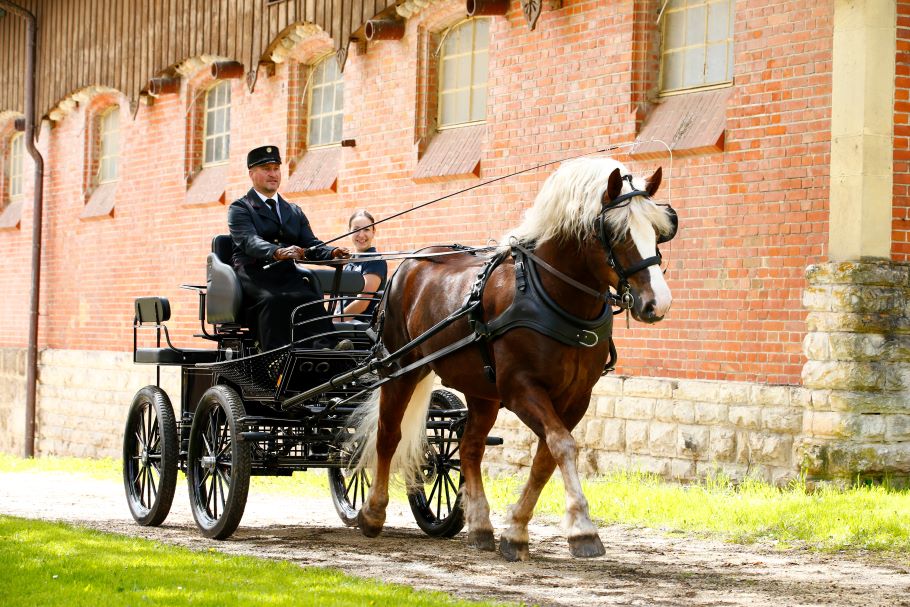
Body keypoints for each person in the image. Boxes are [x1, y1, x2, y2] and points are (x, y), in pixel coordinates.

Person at [227, 145, 352, 351]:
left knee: (308, 298)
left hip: (286, 275)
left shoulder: (292, 210)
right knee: (274, 300)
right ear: (251, 174)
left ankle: (326, 350)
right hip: (255, 275)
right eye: (266, 168)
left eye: (276, 168)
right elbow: (249, 241)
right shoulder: (240, 208)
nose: (273, 174)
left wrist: (331, 252)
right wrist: (276, 252)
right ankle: (276, 357)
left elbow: (310, 244)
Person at [335, 210, 388, 322]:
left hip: (360, 327)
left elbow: (362, 303)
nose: (361, 235)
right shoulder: (350, 261)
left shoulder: (375, 261)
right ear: (349, 231)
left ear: (374, 232)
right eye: (356, 229)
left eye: (367, 229)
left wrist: (334, 320)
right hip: (344, 323)